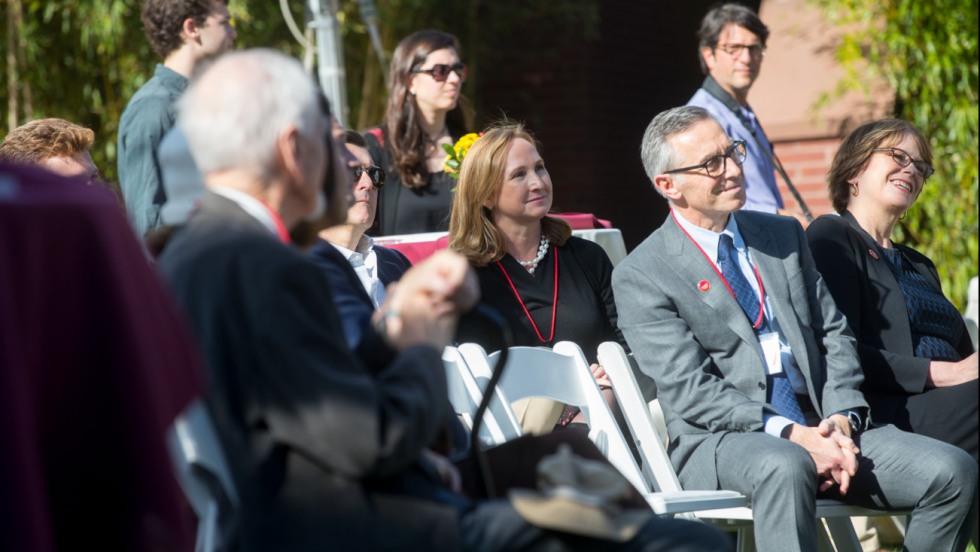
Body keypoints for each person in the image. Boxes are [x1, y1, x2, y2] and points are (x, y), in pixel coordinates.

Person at [155, 48, 728, 552]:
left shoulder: (206, 253)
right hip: (361, 524)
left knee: (567, 467)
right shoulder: (262, 266)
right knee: (685, 541)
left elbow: (319, 407)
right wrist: (424, 343)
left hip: (339, 507)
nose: (351, 172)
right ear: (292, 147)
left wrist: (390, 332)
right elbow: (372, 441)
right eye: (335, 149)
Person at [612, 105, 978, 552]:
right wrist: (793, 436)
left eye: (733, 153)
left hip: (826, 422)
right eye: (712, 163)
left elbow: (834, 335)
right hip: (724, 440)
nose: (732, 170)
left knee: (952, 472)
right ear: (668, 185)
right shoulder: (642, 273)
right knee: (787, 464)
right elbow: (693, 391)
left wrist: (842, 418)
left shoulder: (781, 236)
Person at [806, 118, 977, 462]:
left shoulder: (919, 264)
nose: (911, 170)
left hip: (956, 404)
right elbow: (838, 350)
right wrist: (946, 373)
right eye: (897, 157)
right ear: (854, 171)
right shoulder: (833, 237)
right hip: (890, 410)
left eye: (920, 166)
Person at [449, 122, 627, 433]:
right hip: (513, 432)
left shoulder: (587, 257)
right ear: (486, 195)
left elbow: (623, 342)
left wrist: (608, 379)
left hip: (601, 414)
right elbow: (472, 374)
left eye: (540, 168)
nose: (538, 183)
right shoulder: (466, 276)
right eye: (519, 175)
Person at [117, 0, 235, 238]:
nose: (233, 32)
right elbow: (148, 225)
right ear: (192, 28)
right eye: (224, 23)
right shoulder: (154, 108)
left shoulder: (206, 102)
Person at [687, 3, 807, 226]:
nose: (746, 58)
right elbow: (705, 196)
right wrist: (781, 216)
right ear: (709, 54)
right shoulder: (703, 117)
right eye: (734, 49)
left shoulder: (741, 111)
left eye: (754, 48)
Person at [365, 29, 471, 235]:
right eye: (440, 71)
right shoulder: (375, 148)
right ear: (409, 81)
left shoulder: (471, 145)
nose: (454, 79)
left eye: (458, 70)